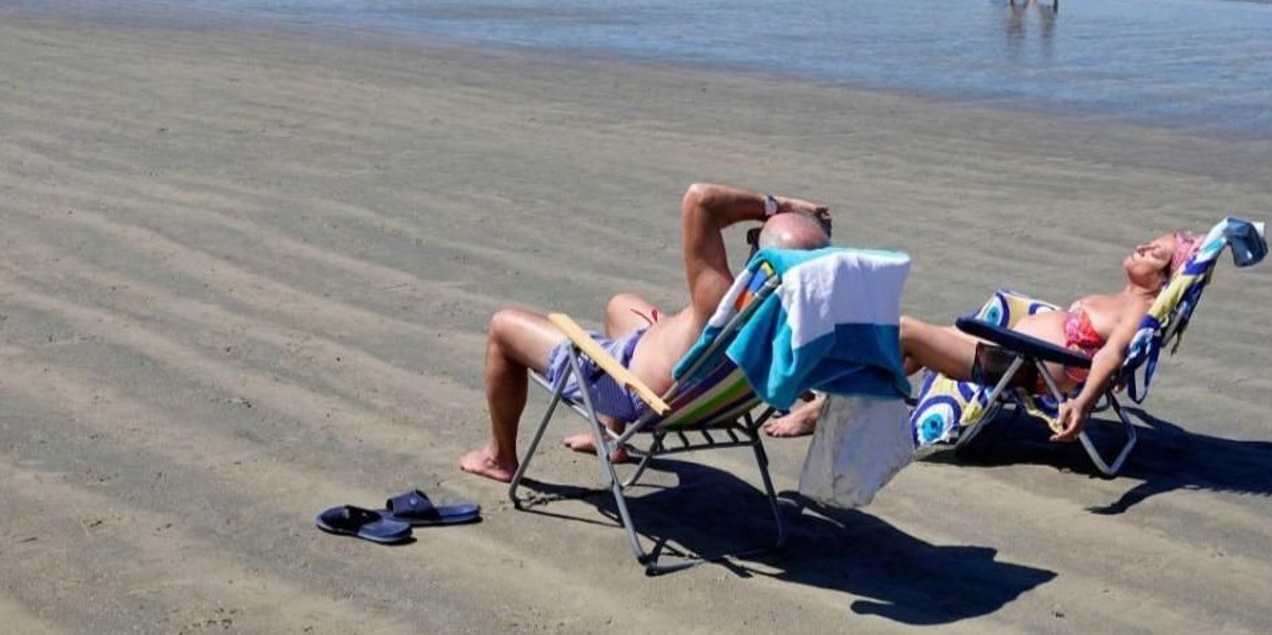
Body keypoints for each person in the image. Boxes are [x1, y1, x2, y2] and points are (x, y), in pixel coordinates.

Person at [460, 184, 834, 482]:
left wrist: (779, 205)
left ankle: (500, 458)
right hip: (701, 394)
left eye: (755, 236)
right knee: (620, 304)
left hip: (635, 392)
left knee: (503, 325)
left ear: (759, 255)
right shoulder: (807, 322)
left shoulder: (720, 302)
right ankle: (609, 439)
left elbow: (700, 200)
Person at [764, 230, 1201, 442]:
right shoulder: (1125, 298)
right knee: (913, 352)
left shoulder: (1136, 309)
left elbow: (1110, 357)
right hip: (1011, 351)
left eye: (1154, 253)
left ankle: (818, 409)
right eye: (1148, 243)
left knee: (905, 332)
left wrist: (1082, 406)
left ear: (1164, 278)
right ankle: (830, 403)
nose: (1142, 247)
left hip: (1018, 367)